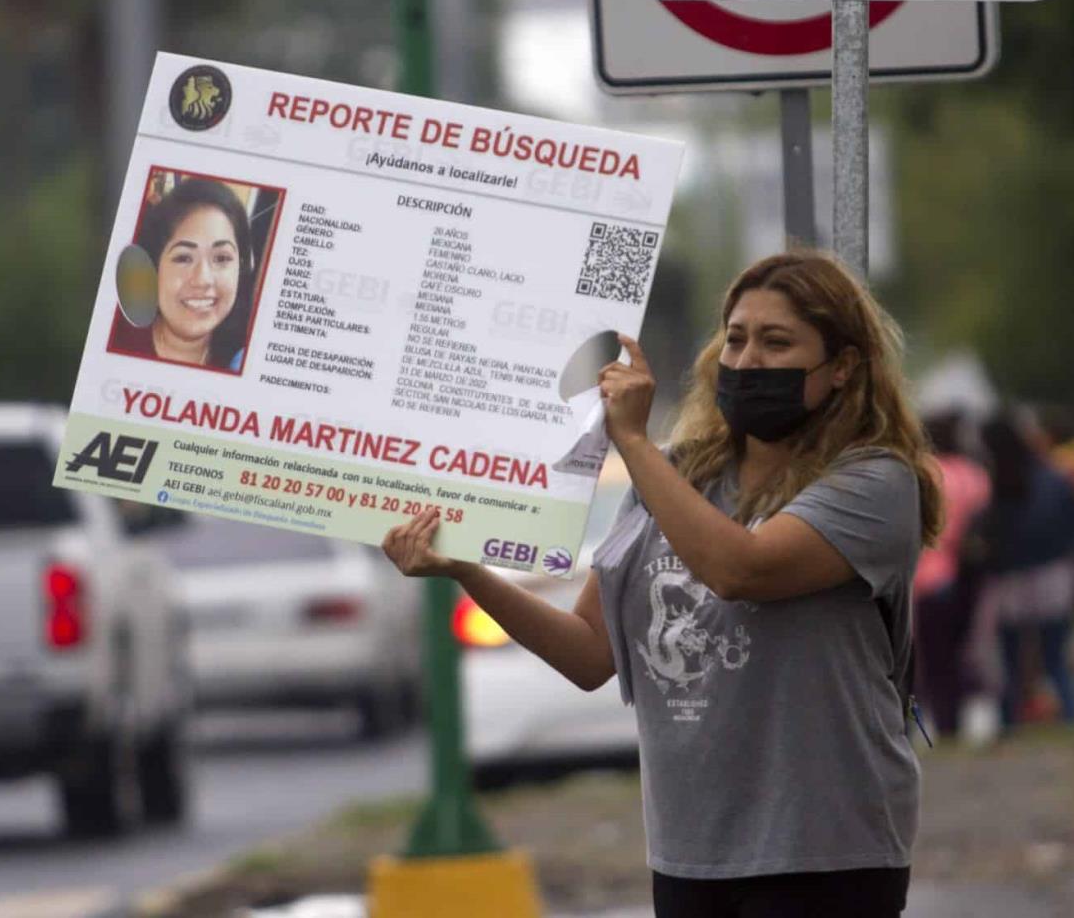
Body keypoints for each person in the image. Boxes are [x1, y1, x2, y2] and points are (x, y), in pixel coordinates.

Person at [383, 250, 942, 918]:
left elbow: (742, 570)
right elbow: (589, 652)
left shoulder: (875, 482)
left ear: (843, 367)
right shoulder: (679, 476)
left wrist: (635, 446)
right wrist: (465, 570)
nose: (747, 360)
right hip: (690, 849)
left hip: (825, 849)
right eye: (736, 338)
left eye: (777, 342)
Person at [973, 412, 1074, 727]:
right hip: (1053, 575)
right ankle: (1069, 714)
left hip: (1011, 580)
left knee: (1011, 661)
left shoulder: (997, 482)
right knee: (1054, 657)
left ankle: (1008, 722)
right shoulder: (1050, 476)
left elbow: (986, 537)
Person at [110, 176, 254, 370]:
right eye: (184, 258)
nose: (203, 279)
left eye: (221, 259)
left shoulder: (243, 361)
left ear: (241, 267)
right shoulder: (112, 337)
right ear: (154, 265)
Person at [913, 412, 991, 738]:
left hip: (925, 578)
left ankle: (939, 725)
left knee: (930, 660)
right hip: (967, 577)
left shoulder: (924, 473)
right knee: (958, 655)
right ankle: (955, 721)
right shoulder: (974, 474)